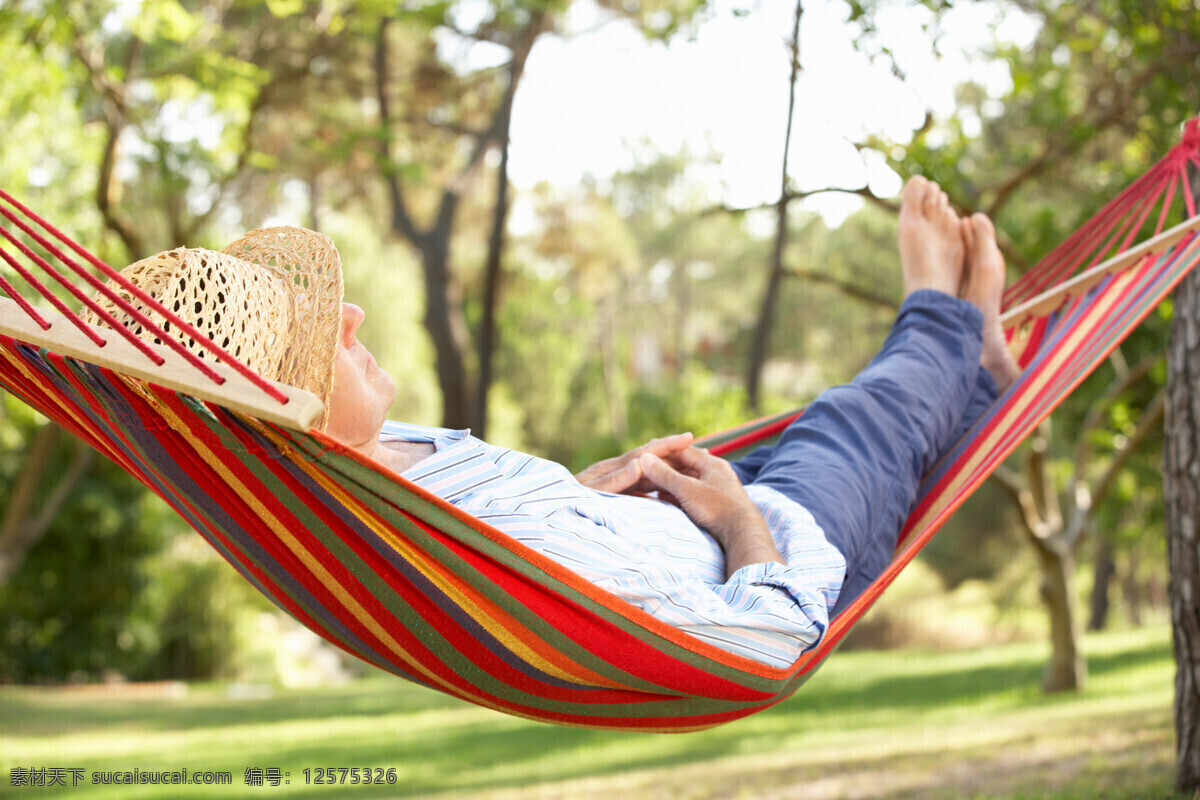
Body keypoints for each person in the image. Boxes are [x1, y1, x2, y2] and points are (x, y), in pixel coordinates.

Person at [91, 177, 1020, 668]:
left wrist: (587, 490)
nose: (353, 317)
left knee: (852, 424)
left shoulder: (393, 481)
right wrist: (739, 516)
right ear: (283, 408)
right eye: (314, 336)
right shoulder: (398, 527)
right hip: (782, 553)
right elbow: (763, 642)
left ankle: (981, 374)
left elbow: (531, 547)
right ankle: (943, 314)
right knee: (859, 422)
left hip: (684, 516)